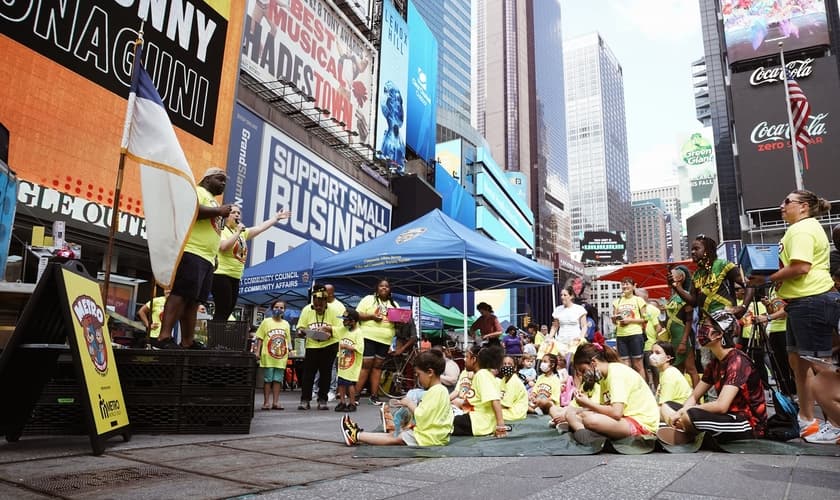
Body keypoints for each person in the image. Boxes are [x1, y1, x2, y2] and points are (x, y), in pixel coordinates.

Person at [746, 190, 840, 439]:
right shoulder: (798, 229)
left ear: (804, 206)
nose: (782, 205)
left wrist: (766, 279)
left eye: (787, 201)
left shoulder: (802, 229)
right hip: (801, 302)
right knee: (798, 364)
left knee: (821, 369)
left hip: (812, 301)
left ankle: (836, 424)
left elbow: (801, 267)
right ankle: (808, 421)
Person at [658, 310, 767, 444]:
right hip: (724, 416)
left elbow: (721, 405)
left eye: (706, 326)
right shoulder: (715, 362)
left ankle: (686, 431)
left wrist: (686, 411)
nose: (701, 330)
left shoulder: (737, 361)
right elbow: (694, 396)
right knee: (667, 406)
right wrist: (681, 411)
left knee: (689, 416)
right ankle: (686, 430)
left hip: (747, 423)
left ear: (718, 334)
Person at [156, 167, 233, 349]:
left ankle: (187, 341)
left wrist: (214, 257)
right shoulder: (198, 191)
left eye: (224, 181)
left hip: (206, 258)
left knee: (194, 300)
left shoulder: (213, 201)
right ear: (207, 179)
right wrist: (219, 211)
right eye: (219, 179)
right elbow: (191, 211)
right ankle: (163, 336)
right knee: (180, 294)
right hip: (192, 251)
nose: (223, 183)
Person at [553, 342, 660, 445]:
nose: (583, 375)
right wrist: (578, 410)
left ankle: (586, 434)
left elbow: (616, 413)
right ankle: (583, 433)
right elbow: (605, 408)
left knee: (590, 419)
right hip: (624, 419)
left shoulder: (616, 373)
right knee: (574, 414)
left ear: (593, 363)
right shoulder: (604, 378)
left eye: (583, 370)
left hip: (641, 424)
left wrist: (587, 404)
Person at [341, 350, 454, 447]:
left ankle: (356, 435)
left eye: (418, 375)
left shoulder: (435, 392)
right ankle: (359, 434)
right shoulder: (442, 390)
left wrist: (409, 404)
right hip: (437, 435)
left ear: (430, 372)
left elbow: (423, 416)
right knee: (397, 434)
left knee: (395, 437)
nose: (418, 379)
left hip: (429, 437)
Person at [212, 205, 291, 321]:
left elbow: (260, 228)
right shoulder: (222, 230)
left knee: (229, 309)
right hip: (221, 274)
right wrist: (238, 232)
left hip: (235, 276)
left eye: (239, 213)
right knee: (223, 308)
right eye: (233, 212)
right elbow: (223, 247)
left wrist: (276, 218)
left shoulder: (242, 233)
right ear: (226, 216)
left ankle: (219, 336)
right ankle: (215, 337)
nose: (237, 215)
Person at [672, 234, 749, 316]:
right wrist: (677, 287)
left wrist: (744, 307)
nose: (692, 252)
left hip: (725, 320)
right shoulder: (696, 275)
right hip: (705, 324)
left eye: (696, 249)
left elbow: (749, 284)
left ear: (707, 250)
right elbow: (693, 302)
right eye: (692, 250)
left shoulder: (722, 265)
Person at [355, 279, 401, 405]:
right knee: (366, 365)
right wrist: (371, 317)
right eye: (381, 286)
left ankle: (374, 396)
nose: (384, 288)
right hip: (368, 336)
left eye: (387, 286)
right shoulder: (368, 299)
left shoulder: (395, 304)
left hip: (385, 339)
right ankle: (356, 395)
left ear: (390, 289)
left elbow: (399, 322)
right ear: (377, 288)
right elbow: (357, 314)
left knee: (378, 367)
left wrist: (400, 320)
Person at [297, 285, 341, 411]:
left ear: (325, 302)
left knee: (326, 373)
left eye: (320, 306)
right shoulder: (307, 310)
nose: (318, 308)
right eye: (315, 306)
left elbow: (341, 329)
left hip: (329, 345)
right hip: (312, 345)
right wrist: (302, 332)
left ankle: (322, 399)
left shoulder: (334, 310)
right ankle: (305, 399)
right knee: (308, 374)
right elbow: (300, 326)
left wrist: (329, 330)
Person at [452, 345, 507, 438]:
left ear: (474, 359)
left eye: (467, 357)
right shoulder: (480, 375)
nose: (464, 360)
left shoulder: (482, 375)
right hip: (475, 419)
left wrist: (501, 426)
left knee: (441, 423)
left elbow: (495, 400)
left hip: (478, 423)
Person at [665, 265, 700, 387]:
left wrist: (684, 341)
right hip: (673, 338)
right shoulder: (672, 297)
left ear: (680, 278)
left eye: (672, 275)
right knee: (678, 370)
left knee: (690, 369)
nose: (669, 277)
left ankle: (697, 397)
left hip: (683, 337)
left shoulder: (686, 295)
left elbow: (689, 320)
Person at [253, 300, 291, 410]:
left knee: (278, 380)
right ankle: (266, 402)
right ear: (272, 308)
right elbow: (260, 337)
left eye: (281, 308)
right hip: (268, 356)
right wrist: (257, 351)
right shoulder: (266, 322)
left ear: (284, 310)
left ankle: (276, 402)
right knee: (268, 379)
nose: (278, 309)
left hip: (281, 357)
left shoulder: (286, 324)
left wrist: (290, 350)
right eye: (276, 307)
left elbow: (287, 340)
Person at [611, 277, 648, 379]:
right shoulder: (617, 302)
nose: (625, 286)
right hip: (621, 335)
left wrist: (630, 321)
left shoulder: (638, 300)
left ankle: (643, 390)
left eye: (627, 284)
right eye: (623, 284)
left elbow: (646, 319)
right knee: (625, 365)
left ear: (633, 286)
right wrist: (615, 319)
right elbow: (614, 321)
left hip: (635, 334)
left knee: (638, 364)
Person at [650, 341, 692, 423]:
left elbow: (664, 405)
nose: (652, 356)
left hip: (678, 411)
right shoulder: (665, 372)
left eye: (657, 353)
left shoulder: (669, 374)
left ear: (668, 358)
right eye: (652, 352)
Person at [335, 309, 363, 412]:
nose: (343, 322)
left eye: (346, 320)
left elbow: (359, 348)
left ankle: (352, 402)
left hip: (352, 364)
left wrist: (346, 346)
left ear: (353, 321)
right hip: (342, 363)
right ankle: (342, 402)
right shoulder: (343, 330)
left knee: (350, 384)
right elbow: (334, 330)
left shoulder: (358, 332)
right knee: (341, 383)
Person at [551, 286, 588, 357]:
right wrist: (549, 338)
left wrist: (581, 337)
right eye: (561, 295)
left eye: (565, 295)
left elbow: (584, 326)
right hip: (561, 340)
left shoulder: (579, 309)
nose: (562, 297)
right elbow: (555, 326)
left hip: (575, 340)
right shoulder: (558, 309)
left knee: (570, 358)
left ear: (571, 296)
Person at [499, 355, 528, 422]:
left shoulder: (514, 381)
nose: (506, 366)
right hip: (508, 410)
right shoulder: (503, 380)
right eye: (504, 364)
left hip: (515, 413)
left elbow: (506, 405)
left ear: (515, 368)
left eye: (509, 364)